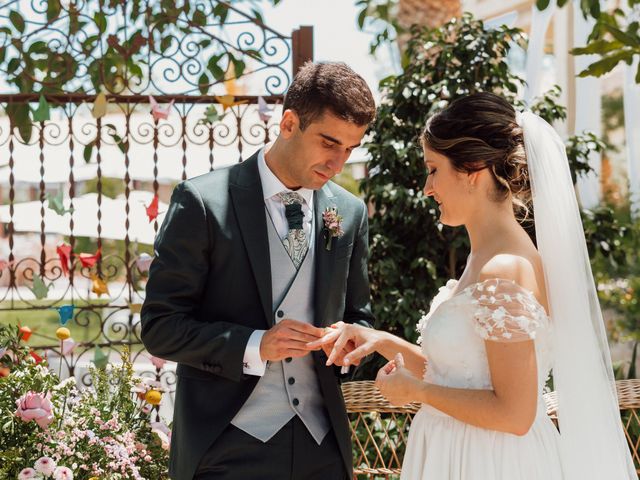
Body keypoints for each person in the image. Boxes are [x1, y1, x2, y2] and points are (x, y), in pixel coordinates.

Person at [310, 92, 637, 479]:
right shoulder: (485, 258)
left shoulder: (505, 269)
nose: (427, 188)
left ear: (473, 170)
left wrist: (416, 392)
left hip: (490, 462)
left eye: (433, 169)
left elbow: (514, 413)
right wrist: (382, 341)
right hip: (460, 451)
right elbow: (464, 374)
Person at [140, 61, 376, 480]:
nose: (338, 163)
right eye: (328, 143)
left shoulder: (350, 212)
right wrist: (255, 345)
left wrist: (347, 341)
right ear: (288, 123)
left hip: (322, 448)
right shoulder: (203, 202)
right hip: (225, 446)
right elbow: (161, 326)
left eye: (350, 149)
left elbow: (360, 317)